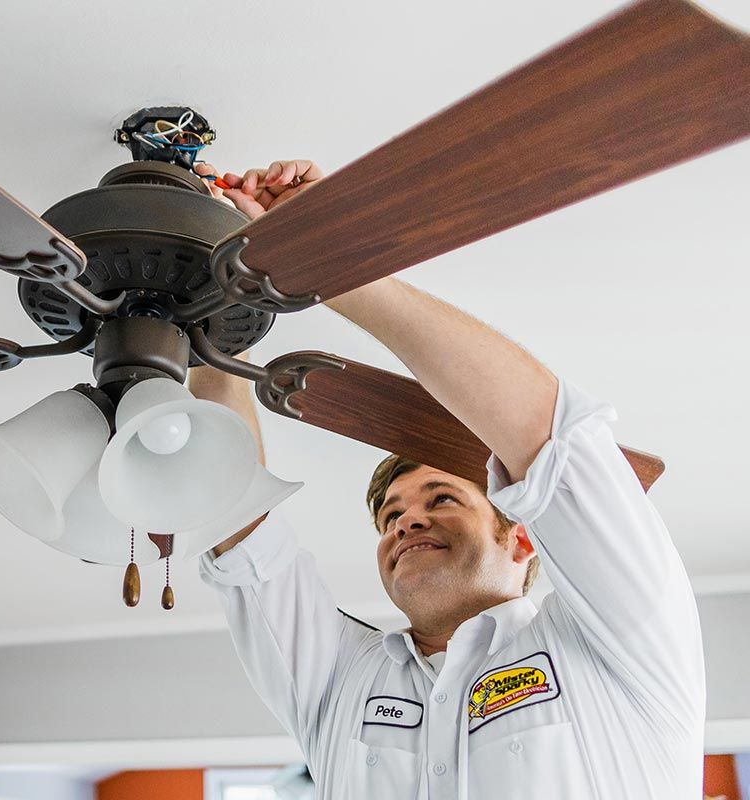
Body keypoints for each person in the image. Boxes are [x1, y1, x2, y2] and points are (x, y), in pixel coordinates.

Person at [188, 160, 706, 799]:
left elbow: (554, 444)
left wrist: (324, 258)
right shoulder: (341, 678)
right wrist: (212, 331)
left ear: (521, 538)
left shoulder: (621, 644)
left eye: (441, 498)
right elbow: (248, 541)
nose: (404, 521)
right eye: (390, 515)